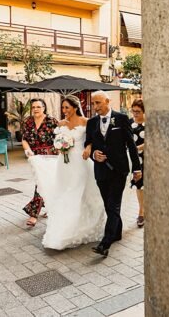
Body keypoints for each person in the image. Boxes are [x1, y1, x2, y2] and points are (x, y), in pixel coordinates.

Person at [28, 95, 106, 250]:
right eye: (62, 108)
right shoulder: (61, 123)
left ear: (75, 108)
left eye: (67, 108)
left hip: (81, 162)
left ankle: (84, 225)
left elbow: (92, 140)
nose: (64, 111)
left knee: (80, 192)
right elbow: (56, 141)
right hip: (64, 163)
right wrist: (59, 146)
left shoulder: (86, 122)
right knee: (64, 193)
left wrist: (88, 148)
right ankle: (64, 229)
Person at [83, 92, 142, 258]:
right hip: (100, 170)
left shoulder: (122, 119)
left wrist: (137, 169)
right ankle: (116, 232)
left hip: (119, 170)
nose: (95, 107)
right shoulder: (92, 122)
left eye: (98, 103)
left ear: (108, 101)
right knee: (109, 204)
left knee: (113, 204)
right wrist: (94, 154)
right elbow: (88, 142)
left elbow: (131, 145)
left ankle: (105, 243)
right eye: (93, 103)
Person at [20, 98, 60, 227]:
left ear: (44, 107)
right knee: (43, 182)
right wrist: (27, 150)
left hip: (51, 156)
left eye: (38, 106)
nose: (35, 109)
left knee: (41, 183)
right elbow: (24, 139)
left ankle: (33, 214)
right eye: (33, 107)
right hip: (35, 157)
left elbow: (60, 137)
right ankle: (51, 207)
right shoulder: (28, 122)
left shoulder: (52, 121)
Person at [129, 98, 146, 227]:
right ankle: (141, 211)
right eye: (133, 111)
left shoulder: (149, 123)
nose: (135, 114)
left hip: (149, 158)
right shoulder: (129, 123)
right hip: (135, 160)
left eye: (138, 111)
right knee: (139, 185)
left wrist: (137, 148)